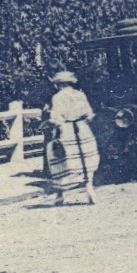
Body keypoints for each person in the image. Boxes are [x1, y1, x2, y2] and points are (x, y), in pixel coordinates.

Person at [43, 71, 99, 207]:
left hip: (66, 130)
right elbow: (89, 114)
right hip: (83, 129)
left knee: (61, 160)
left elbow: (57, 118)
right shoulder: (80, 95)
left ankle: (60, 195)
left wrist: (50, 120)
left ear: (59, 84)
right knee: (85, 160)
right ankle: (89, 189)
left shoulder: (57, 97)